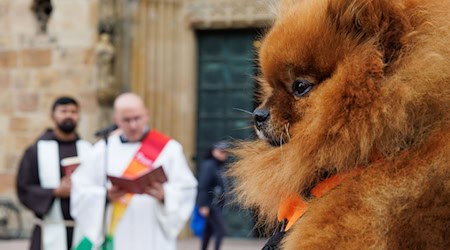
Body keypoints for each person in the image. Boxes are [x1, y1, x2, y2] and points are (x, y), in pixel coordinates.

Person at [71, 92, 197, 250]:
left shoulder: (169, 149)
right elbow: (81, 187)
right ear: (116, 120)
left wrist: (165, 195)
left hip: (153, 232)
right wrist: (105, 195)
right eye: (126, 120)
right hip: (116, 230)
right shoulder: (103, 149)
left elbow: (186, 188)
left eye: (137, 118)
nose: (133, 125)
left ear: (146, 115)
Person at [16, 96, 92, 250]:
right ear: (52, 116)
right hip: (50, 228)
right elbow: (24, 188)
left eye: (73, 111)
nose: (69, 115)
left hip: (83, 230)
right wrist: (55, 192)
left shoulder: (89, 150)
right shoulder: (36, 150)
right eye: (63, 111)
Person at [197, 141, 229, 250]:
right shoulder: (209, 165)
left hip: (216, 205)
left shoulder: (218, 166)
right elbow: (203, 186)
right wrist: (203, 205)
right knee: (220, 230)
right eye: (221, 151)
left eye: (225, 152)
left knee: (208, 230)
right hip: (210, 205)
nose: (224, 154)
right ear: (213, 152)